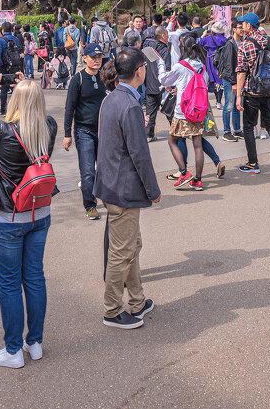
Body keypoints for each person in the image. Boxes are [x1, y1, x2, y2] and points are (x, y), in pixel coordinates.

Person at [0, 76, 57, 367]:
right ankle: (36, 342)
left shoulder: (3, 132)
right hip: (39, 212)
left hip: (8, 216)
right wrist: (29, 85)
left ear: (15, 101)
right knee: (34, 277)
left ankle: (13, 349)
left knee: (9, 284)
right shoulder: (49, 127)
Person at [94, 47, 161, 329]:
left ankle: (137, 300)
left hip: (110, 183)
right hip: (123, 188)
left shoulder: (110, 99)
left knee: (131, 244)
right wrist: (153, 189)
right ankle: (112, 309)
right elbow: (139, 154)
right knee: (123, 251)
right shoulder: (131, 105)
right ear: (139, 71)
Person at [234, 13, 270, 176]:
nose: (242, 26)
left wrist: (238, 95)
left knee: (248, 127)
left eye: (243, 23)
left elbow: (241, 72)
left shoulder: (245, 45)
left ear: (249, 26)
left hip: (252, 91)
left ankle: (253, 163)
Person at [160, 34, 212, 190]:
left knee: (172, 141)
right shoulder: (201, 66)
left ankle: (183, 172)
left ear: (183, 48)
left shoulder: (180, 65)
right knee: (197, 145)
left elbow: (164, 81)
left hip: (182, 111)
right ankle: (198, 180)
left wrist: (161, 67)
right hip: (198, 110)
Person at [63, 43, 108, 220]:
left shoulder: (105, 77)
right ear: (85, 58)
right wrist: (67, 134)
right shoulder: (78, 79)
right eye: (93, 57)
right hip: (84, 131)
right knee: (88, 170)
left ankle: (107, 198)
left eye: (99, 57)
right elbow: (69, 108)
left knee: (105, 169)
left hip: (103, 130)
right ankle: (90, 205)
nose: (97, 60)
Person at [141, 26, 171, 142]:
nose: (168, 36)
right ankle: (177, 133)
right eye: (167, 34)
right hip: (162, 86)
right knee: (169, 110)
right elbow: (166, 69)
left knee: (150, 112)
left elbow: (145, 65)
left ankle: (148, 135)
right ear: (163, 36)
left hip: (149, 84)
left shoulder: (149, 48)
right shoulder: (164, 50)